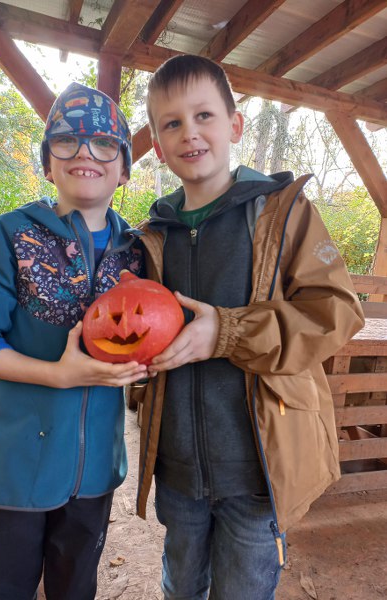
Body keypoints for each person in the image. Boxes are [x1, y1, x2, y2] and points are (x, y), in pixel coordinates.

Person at [134, 54, 365, 600]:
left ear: (234, 125)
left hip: (259, 468)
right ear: (159, 145)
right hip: (178, 469)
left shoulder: (283, 212)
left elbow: (336, 310)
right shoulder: (152, 235)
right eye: (172, 123)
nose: (190, 133)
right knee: (180, 586)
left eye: (204, 115)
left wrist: (227, 332)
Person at [0, 82, 147, 600]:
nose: (85, 153)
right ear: (48, 163)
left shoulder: (141, 252)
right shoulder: (8, 235)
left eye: (104, 144)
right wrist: (56, 374)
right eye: (66, 141)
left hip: (96, 466)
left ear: (124, 169)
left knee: (75, 587)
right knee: (5, 587)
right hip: (14, 462)